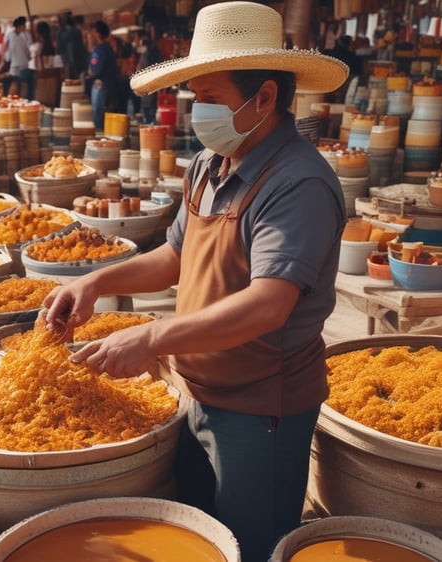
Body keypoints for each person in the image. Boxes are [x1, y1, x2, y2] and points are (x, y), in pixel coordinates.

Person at [41, 3, 349, 561]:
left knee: (252, 546)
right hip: (194, 388)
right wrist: (95, 281)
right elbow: (176, 255)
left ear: (265, 99)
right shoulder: (211, 164)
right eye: (195, 97)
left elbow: (267, 305)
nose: (196, 113)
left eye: (209, 99)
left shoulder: (298, 183)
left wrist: (154, 337)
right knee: (200, 540)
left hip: (261, 409)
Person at [86, 20, 117, 131]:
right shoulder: (108, 48)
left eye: (92, 32)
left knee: (97, 111)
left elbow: (95, 68)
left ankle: (98, 134)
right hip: (109, 83)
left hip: (100, 84)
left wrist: (90, 74)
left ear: (97, 33)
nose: (90, 35)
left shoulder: (99, 50)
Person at [1, 16, 32, 96]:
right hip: (14, 63)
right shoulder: (10, 35)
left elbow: (29, 48)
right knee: (15, 81)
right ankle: (12, 98)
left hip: (23, 63)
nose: (24, 27)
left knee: (21, 83)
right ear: (20, 26)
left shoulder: (26, 35)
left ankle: (18, 98)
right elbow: (6, 48)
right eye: (23, 25)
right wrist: (5, 59)